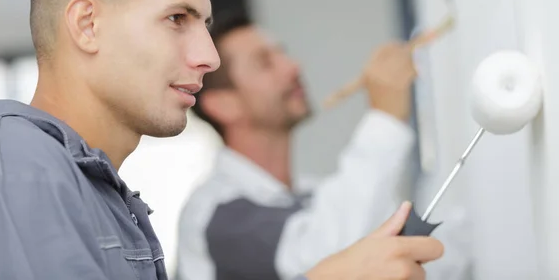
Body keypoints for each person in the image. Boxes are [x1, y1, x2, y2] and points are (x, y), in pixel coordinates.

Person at [0, 0, 443, 280]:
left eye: (204, 25)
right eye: (177, 19)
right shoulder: (19, 169)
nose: (208, 58)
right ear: (88, 25)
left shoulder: (102, 194)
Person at [176, 16, 472, 280]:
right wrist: (386, 118)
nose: (293, 67)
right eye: (265, 62)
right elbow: (325, 259)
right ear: (223, 105)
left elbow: (417, 262)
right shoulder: (214, 216)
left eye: (283, 54)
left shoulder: (312, 195)